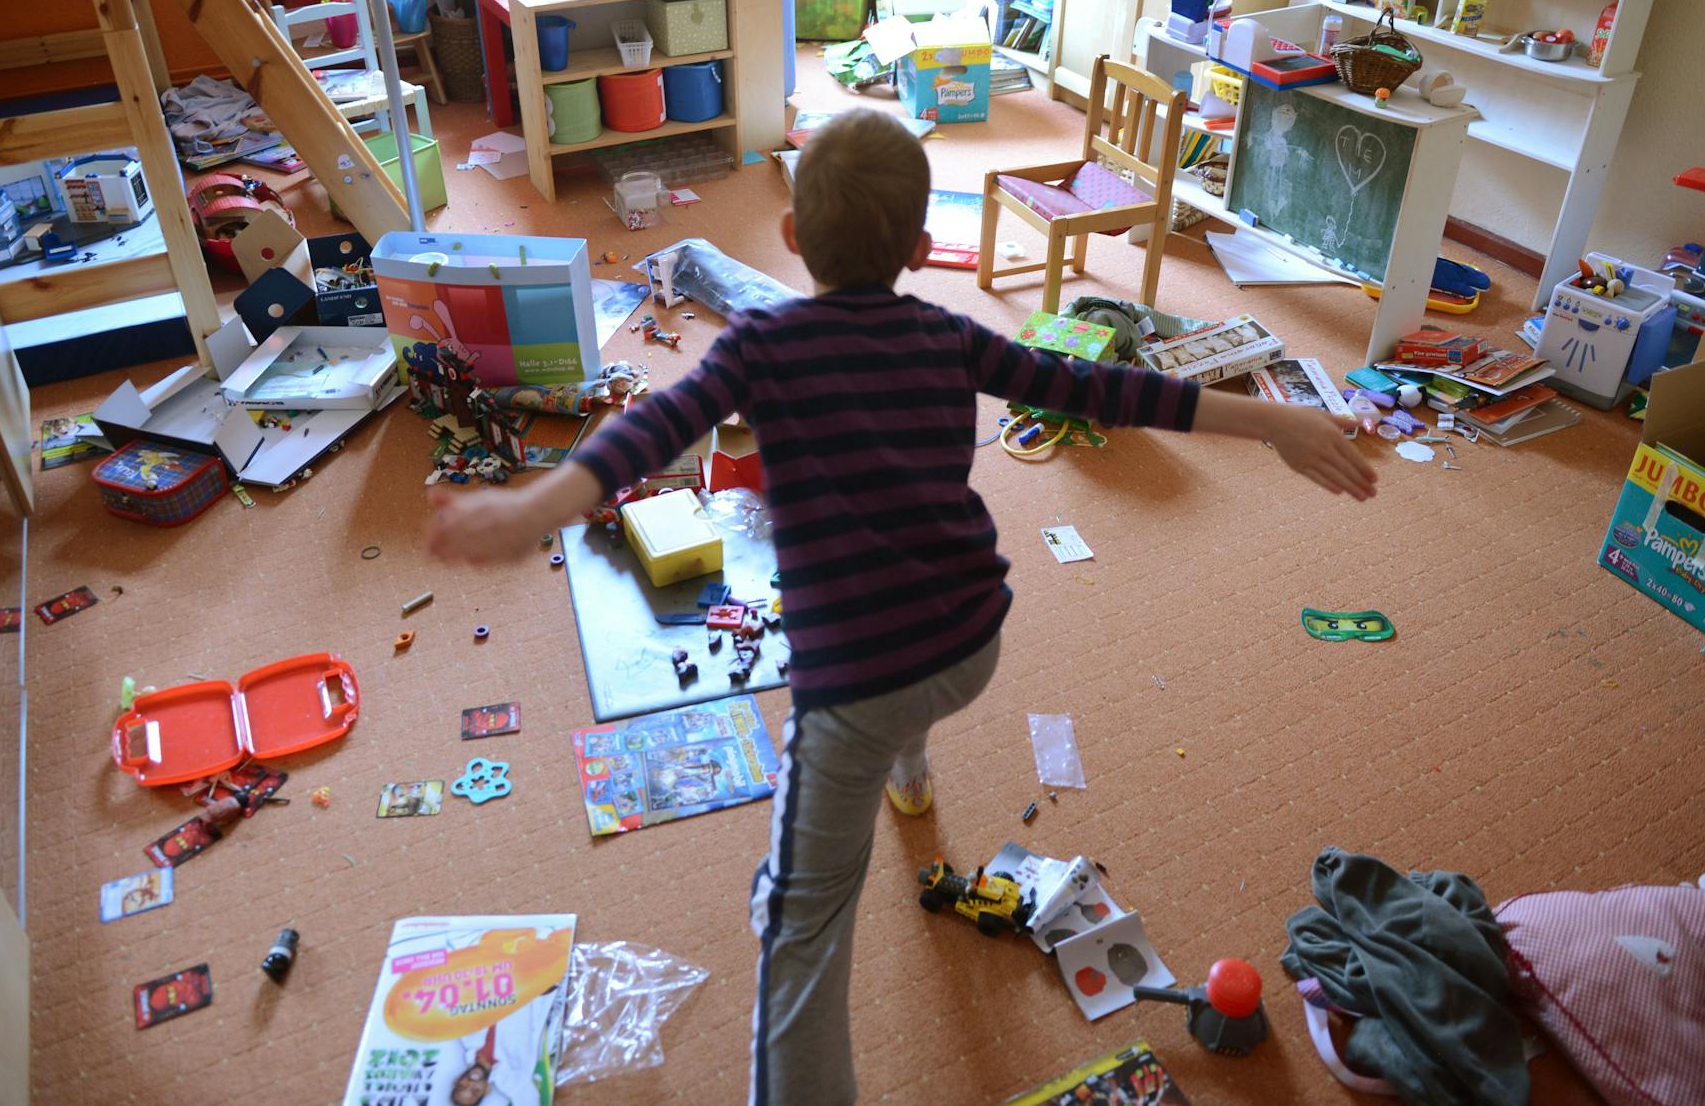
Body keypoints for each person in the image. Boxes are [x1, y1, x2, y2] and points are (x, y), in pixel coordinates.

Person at [427, 109, 1376, 1104]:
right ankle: (910, 777)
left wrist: (529, 506)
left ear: (790, 236)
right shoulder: (949, 333)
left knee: (801, 930)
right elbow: (1100, 389)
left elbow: (648, 430)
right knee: (908, 679)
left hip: (858, 689)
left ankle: (871, 802)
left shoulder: (758, 344)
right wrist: (1268, 415)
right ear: (923, 250)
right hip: (970, 641)